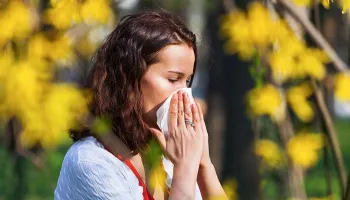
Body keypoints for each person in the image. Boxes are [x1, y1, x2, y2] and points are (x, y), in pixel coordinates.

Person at [54, 11, 227, 200]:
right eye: (173, 79)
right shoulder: (91, 162)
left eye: (187, 82)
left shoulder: (168, 154)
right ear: (129, 78)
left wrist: (203, 165)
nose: (185, 95)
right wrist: (185, 169)